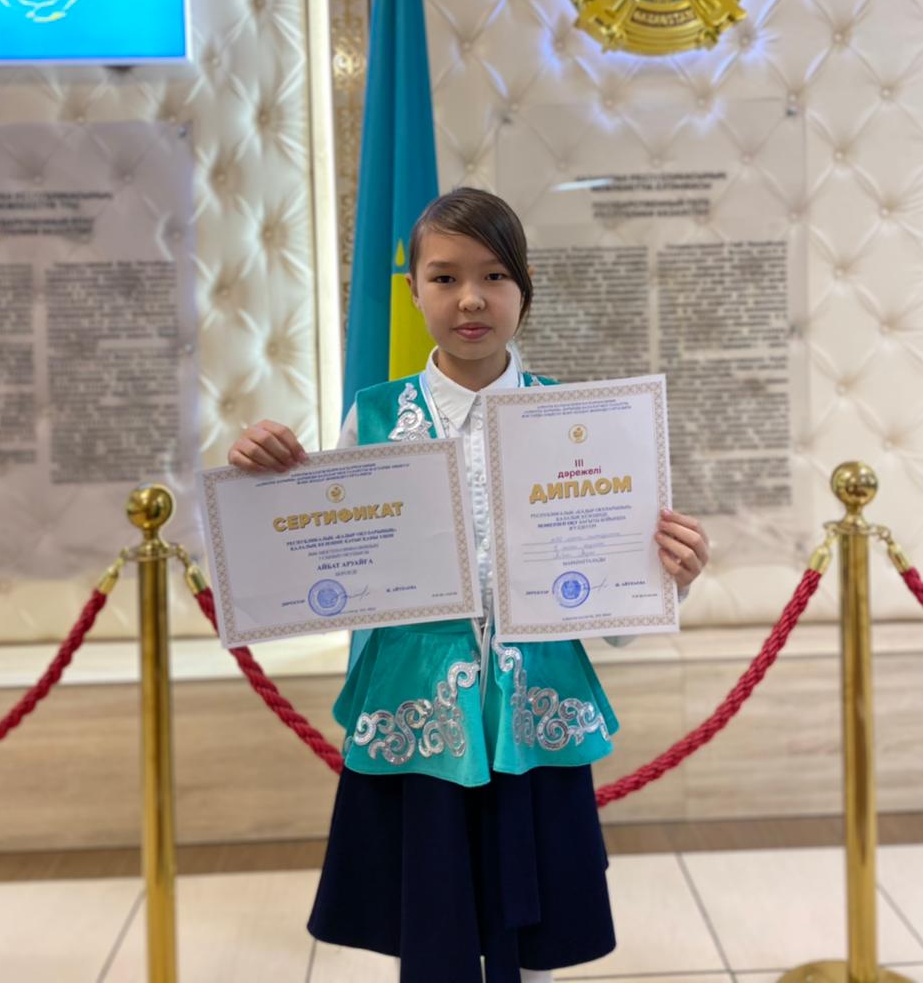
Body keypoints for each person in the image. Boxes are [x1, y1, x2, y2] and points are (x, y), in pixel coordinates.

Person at [228, 187, 709, 983]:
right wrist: (263, 476)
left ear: (525, 286)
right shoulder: (374, 419)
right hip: (420, 717)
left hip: (534, 715)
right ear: (413, 291)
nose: (471, 299)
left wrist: (671, 575)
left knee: (536, 930)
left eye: (494, 275)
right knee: (435, 922)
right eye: (445, 278)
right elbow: (325, 555)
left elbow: (619, 615)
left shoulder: (581, 422)